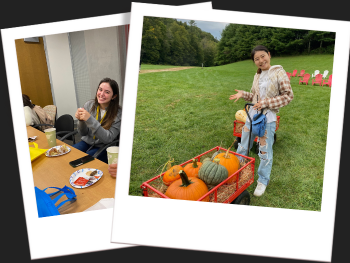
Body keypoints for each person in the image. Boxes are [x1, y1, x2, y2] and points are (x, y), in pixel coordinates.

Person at [229, 45, 294, 197]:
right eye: (256, 59)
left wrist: (265, 103)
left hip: (267, 119)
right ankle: (238, 171)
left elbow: (288, 96)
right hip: (252, 116)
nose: (260, 60)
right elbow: (254, 97)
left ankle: (262, 180)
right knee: (243, 146)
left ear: (269, 55)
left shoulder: (279, 72)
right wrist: (243, 94)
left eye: (262, 56)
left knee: (264, 151)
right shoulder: (257, 75)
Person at [73, 77, 122, 164]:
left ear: (114, 96)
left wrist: (89, 119)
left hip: (104, 147)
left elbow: (108, 139)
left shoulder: (118, 114)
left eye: (107, 92)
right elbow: (83, 133)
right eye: (100, 89)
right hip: (86, 142)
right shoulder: (89, 105)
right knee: (71, 155)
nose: (101, 94)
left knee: (83, 162)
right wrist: (81, 121)